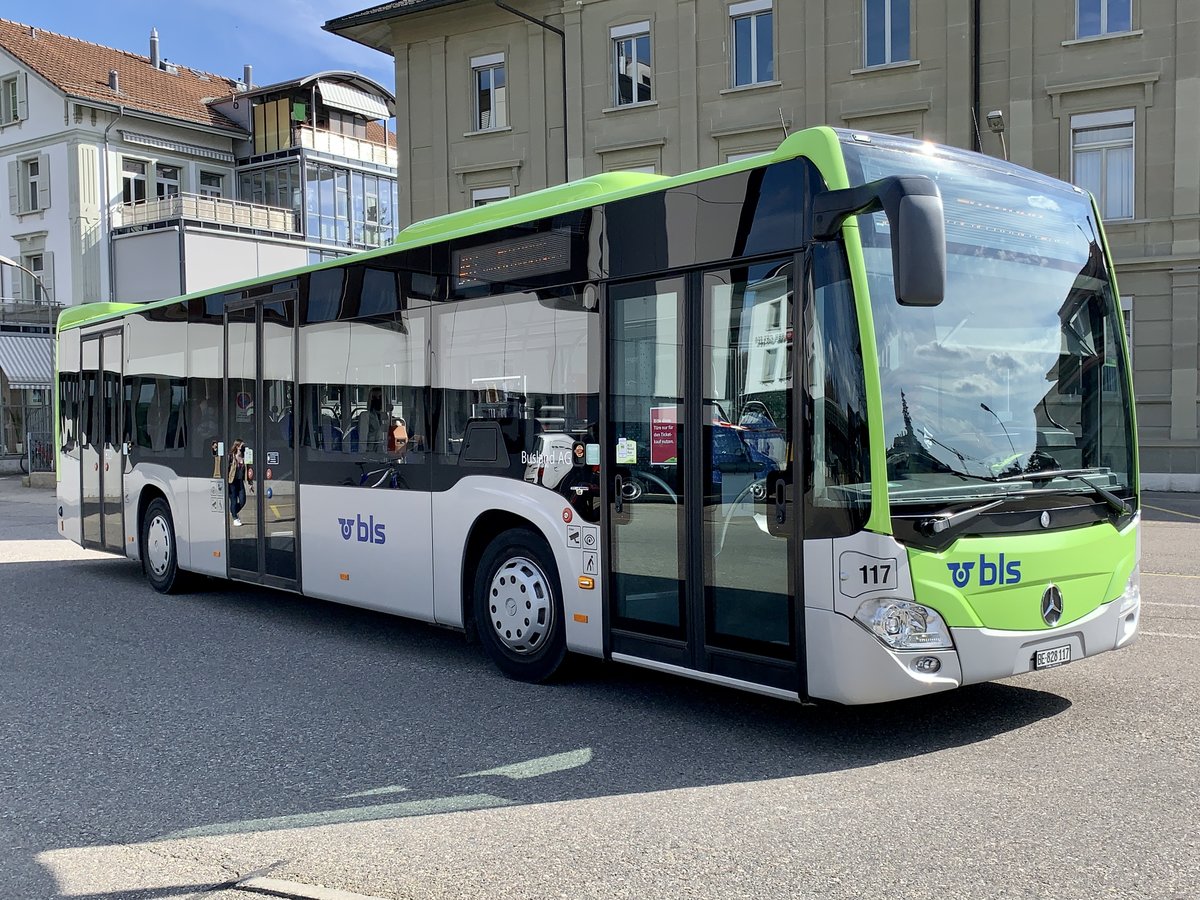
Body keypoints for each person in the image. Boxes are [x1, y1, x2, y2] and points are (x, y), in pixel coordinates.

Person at [227, 439, 247, 527]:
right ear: (237, 446)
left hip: (240, 481)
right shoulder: (231, 457)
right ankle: (235, 518)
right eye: (242, 446)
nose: (244, 448)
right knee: (234, 501)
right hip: (232, 482)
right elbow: (226, 470)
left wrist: (250, 484)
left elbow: (248, 471)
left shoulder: (244, 457)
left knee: (243, 500)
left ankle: (233, 511)